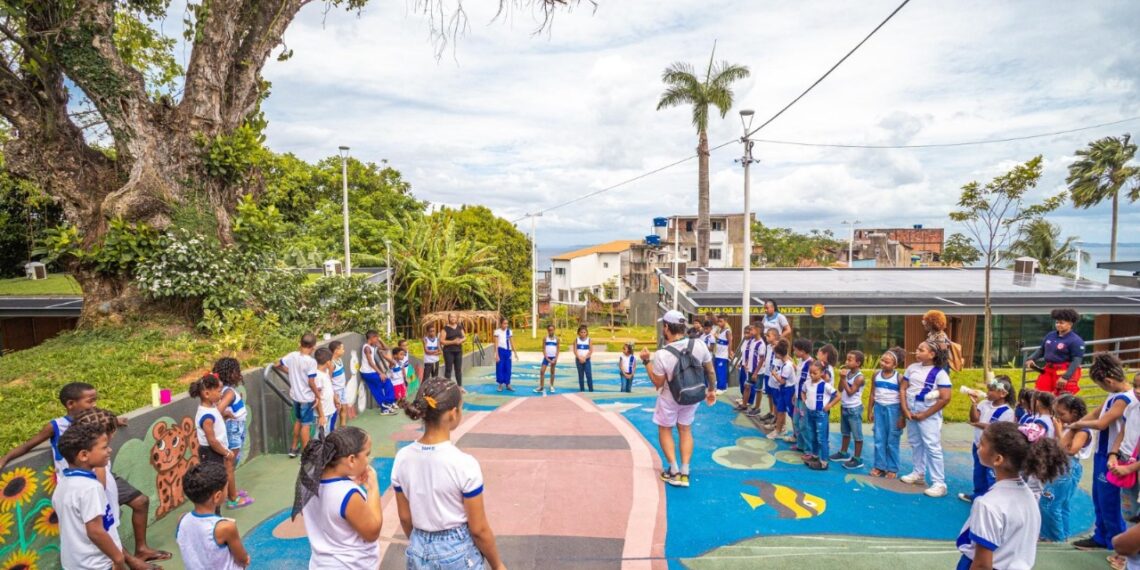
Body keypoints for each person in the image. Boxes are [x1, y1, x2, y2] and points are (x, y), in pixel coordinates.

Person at [0, 383, 169, 565]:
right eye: (90, 401)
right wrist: (6, 458)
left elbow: (104, 421)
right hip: (84, 480)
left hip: (102, 473)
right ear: (71, 404)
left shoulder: (95, 421)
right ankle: (129, 560)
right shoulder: (57, 426)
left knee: (138, 502)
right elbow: (28, 445)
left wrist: (115, 422)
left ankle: (140, 551)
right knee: (103, 524)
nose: (94, 405)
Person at [393, 377, 506, 570]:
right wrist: (497, 565)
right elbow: (478, 529)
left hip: (418, 545)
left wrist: (423, 543)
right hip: (456, 550)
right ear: (453, 413)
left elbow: (405, 517)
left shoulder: (402, 457)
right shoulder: (464, 463)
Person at [955, 421, 1069, 570]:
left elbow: (982, 565)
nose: (978, 447)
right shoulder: (1029, 495)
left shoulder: (987, 504)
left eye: (982, 444)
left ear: (998, 459)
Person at [640, 310, 717, 488]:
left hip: (671, 397)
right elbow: (710, 370)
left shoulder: (662, 354)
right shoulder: (699, 344)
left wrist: (646, 362)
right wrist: (711, 390)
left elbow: (658, 383)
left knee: (665, 429)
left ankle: (673, 469)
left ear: (666, 327)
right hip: (693, 395)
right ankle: (685, 471)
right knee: (685, 429)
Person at [1068, 353, 1135, 551]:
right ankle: (1101, 536)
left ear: (1107, 380)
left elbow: (1102, 422)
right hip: (1101, 454)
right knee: (1099, 497)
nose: (1102, 389)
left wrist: (1078, 424)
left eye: (1101, 385)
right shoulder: (1113, 394)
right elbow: (1097, 412)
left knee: (1110, 501)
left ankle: (1115, 542)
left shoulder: (1124, 398)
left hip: (1112, 455)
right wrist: (1074, 426)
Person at [292, 427, 383, 569]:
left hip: (321, 564)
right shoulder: (348, 494)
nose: (368, 461)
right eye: (367, 455)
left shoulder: (309, 481)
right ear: (351, 459)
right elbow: (372, 532)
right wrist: (373, 488)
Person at [53, 421, 127, 570]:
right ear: (84, 455)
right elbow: (95, 531)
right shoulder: (90, 488)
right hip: (97, 564)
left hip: (75, 563)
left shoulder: (64, 483)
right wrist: (118, 559)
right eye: (104, 447)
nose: (109, 450)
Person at [899, 341, 953, 498]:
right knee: (915, 442)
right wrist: (905, 409)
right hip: (911, 409)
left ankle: (939, 483)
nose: (916, 352)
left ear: (932, 354)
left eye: (921, 350)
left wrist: (925, 414)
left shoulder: (940, 373)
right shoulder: (912, 368)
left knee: (932, 445)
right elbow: (903, 388)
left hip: (927, 412)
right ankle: (918, 472)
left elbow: (945, 398)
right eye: (917, 348)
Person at [177, 462, 251, 569]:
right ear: (217, 496)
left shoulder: (182, 519)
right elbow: (242, 558)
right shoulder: (225, 527)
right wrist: (246, 559)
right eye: (226, 488)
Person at [1041, 394, 1091, 542]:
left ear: (1074, 413)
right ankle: (1060, 535)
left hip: (1068, 467)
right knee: (1060, 505)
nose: (1059, 417)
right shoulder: (1072, 428)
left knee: (1050, 503)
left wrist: (1059, 430)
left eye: (1062, 414)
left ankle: (1056, 537)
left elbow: (1069, 449)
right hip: (1065, 466)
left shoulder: (1081, 430)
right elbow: (1062, 446)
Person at [959, 375, 1015, 503]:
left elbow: (995, 427)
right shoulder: (984, 403)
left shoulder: (1007, 411)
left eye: (991, 390)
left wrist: (976, 424)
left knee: (991, 473)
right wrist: (974, 403)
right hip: (978, 444)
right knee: (978, 470)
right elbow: (974, 418)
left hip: (994, 448)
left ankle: (992, 499)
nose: (988, 393)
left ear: (1002, 394)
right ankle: (978, 494)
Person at [213, 357, 254, 510]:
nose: (239, 374)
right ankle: (232, 499)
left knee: (231, 462)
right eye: (237, 371)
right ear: (231, 373)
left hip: (236, 427)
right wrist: (227, 415)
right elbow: (217, 411)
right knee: (229, 464)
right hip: (234, 428)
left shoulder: (224, 390)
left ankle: (231, 492)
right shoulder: (229, 392)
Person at [275, 333, 319, 457]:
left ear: (300, 344)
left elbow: (277, 364)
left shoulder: (292, 355)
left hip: (295, 396)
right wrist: (318, 396)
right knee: (306, 425)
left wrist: (290, 372)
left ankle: (293, 448)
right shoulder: (311, 362)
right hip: (306, 398)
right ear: (313, 347)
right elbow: (311, 382)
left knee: (298, 420)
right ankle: (306, 453)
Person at [1025, 308, 1085, 395]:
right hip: (1048, 369)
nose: (1058, 325)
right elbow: (1042, 349)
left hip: (1064, 371)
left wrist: (1066, 377)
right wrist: (1031, 358)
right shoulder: (1051, 335)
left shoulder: (1076, 340)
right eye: (1057, 322)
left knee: (1061, 399)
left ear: (1070, 324)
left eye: (1061, 323)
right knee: (1040, 394)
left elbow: (1076, 361)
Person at [868, 347, 906, 479]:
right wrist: (870, 410)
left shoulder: (899, 378)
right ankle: (879, 466)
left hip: (894, 410)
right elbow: (872, 393)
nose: (883, 363)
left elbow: (903, 399)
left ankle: (892, 468)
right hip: (879, 409)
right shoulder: (876, 375)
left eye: (887, 362)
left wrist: (902, 417)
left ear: (895, 365)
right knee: (879, 438)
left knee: (892, 440)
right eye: (882, 360)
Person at [832, 350, 867, 469]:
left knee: (857, 435)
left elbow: (851, 392)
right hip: (845, 407)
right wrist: (842, 378)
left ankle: (857, 459)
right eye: (846, 359)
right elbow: (840, 389)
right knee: (845, 432)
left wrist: (843, 379)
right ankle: (843, 452)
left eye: (850, 360)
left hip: (854, 409)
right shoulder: (847, 374)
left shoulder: (859, 377)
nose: (846, 362)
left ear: (858, 363)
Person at [802, 361, 840, 471]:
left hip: (820, 414)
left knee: (822, 438)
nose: (812, 375)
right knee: (812, 435)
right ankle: (815, 456)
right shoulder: (807, 383)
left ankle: (824, 462)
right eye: (810, 373)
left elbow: (837, 396)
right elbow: (803, 392)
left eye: (815, 373)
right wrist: (805, 400)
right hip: (810, 412)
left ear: (822, 373)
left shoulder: (825, 385)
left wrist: (829, 405)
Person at [191, 373, 235, 466]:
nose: (221, 394)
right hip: (211, 453)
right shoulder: (207, 417)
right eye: (219, 391)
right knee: (214, 478)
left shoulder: (211, 407)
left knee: (220, 477)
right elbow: (212, 441)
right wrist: (226, 453)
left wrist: (223, 416)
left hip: (216, 450)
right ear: (207, 394)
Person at [766, 340, 795, 441]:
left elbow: (782, 381)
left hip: (788, 390)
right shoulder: (785, 363)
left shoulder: (787, 365)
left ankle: (795, 434)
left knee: (791, 413)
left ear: (778, 354)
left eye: (775, 353)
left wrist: (774, 374)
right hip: (783, 389)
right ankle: (778, 430)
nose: (775, 355)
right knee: (780, 410)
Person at [791, 338, 815, 453]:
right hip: (798, 397)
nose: (794, 352)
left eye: (796, 350)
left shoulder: (811, 364)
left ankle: (808, 449)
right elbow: (798, 380)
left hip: (805, 399)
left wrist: (805, 398)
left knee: (804, 424)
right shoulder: (801, 362)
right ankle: (800, 444)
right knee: (796, 421)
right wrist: (795, 394)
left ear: (803, 351)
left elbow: (810, 383)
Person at [734, 326, 765, 412]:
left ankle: (757, 408)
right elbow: (748, 353)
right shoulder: (751, 341)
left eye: (752, 330)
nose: (751, 332)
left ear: (758, 330)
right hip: (750, 369)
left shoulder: (761, 344)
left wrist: (755, 373)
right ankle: (744, 405)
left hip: (758, 371)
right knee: (747, 386)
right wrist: (745, 362)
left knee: (758, 389)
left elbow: (762, 359)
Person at [314, 347, 340, 435]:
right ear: (328, 362)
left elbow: (329, 388)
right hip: (322, 413)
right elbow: (316, 397)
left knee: (327, 434)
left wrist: (335, 399)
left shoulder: (326, 372)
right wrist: (321, 415)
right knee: (319, 436)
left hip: (329, 410)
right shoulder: (317, 376)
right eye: (331, 361)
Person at [329, 341, 353, 427]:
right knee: (336, 411)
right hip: (336, 391)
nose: (344, 350)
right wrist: (334, 394)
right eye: (342, 348)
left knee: (344, 408)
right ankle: (332, 430)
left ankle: (343, 427)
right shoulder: (331, 364)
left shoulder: (339, 359)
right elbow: (329, 379)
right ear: (336, 350)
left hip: (343, 388)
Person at [442, 313, 467, 388]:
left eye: (454, 317)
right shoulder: (445, 329)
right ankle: (447, 387)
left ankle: (460, 386)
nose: (453, 318)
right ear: (449, 318)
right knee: (448, 369)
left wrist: (461, 340)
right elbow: (442, 341)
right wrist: (453, 342)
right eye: (451, 317)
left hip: (458, 351)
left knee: (458, 370)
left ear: (456, 318)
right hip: (448, 351)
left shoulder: (459, 327)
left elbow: (464, 337)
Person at [493, 317, 517, 392]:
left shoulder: (509, 331)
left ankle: (508, 384)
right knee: (500, 367)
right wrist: (496, 354)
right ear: (501, 324)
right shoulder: (497, 332)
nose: (506, 325)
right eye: (504, 323)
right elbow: (496, 344)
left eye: (507, 323)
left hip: (508, 351)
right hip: (500, 351)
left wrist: (515, 353)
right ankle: (500, 384)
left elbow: (512, 342)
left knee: (508, 368)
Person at [712, 314, 733, 394]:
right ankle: (720, 386)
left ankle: (722, 388)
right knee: (717, 371)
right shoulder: (720, 330)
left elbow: (730, 343)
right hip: (717, 354)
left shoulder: (727, 331)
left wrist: (729, 353)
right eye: (718, 321)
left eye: (721, 321)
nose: (719, 323)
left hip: (723, 355)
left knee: (721, 371)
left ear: (725, 321)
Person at [538, 324, 559, 394]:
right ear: (547, 330)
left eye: (552, 330)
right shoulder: (545, 338)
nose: (551, 331)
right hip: (546, 357)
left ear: (554, 330)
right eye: (549, 330)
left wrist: (555, 358)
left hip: (553, 358)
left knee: (552, 372)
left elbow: (558, 349)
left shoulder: (557, 339)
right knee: (542, 371)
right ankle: (541, 386)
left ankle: (551, 386)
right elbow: (543, 349)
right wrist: (547, 358)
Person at [575, 325, 594, 392]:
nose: (583, 334)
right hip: (578, 360)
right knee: (581, 375)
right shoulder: (576, 340)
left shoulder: (589, 340)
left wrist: (585, 358)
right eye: (581, 332)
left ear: (586, 333)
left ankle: (591, 389)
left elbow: (591, 351)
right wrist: (579, 358)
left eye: (584, 332)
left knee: (588, 375)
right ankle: (582, 389)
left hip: (587, 360)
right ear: (578, 333)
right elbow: (575, 351)